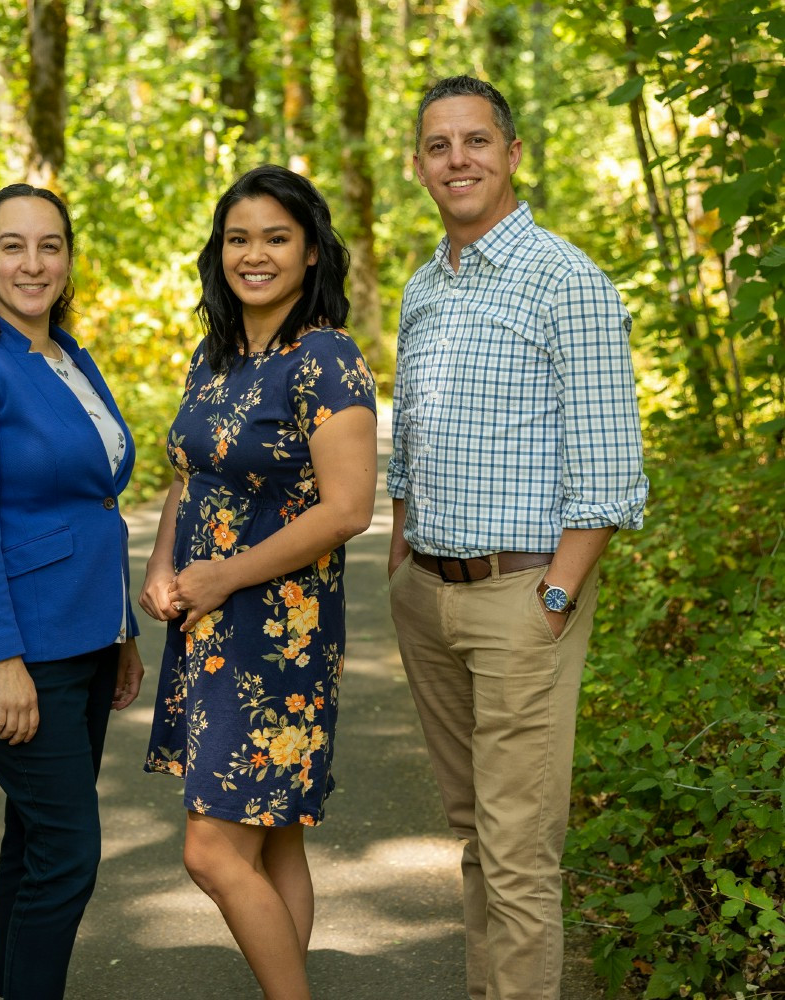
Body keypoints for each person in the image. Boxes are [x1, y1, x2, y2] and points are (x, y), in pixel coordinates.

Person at [388, 76, 648, 1000]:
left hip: (522, 599)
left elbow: (610, 472)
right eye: (438, 145)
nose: (457, 160)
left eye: (475, 142)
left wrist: (553, 599)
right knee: (475, 836)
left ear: (512, 153)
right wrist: (399, 567)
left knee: (521, 854)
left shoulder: (567, 282)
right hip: (428, 597)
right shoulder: (425, 285)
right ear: (418, 164)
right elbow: (411, 442)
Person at [140, 165, 378, 998]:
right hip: (210, 624)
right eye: (239, 237)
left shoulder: (325, 358)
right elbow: (191, 474)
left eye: (276, 237)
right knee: (275, 840)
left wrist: (221, 577)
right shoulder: (216, 355)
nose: (255, 254)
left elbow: (348, 508)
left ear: (311, 252)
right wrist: (165, 564)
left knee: (211, 850)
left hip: (281, 635)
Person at [0, 184, 145, 1000]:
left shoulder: (67, 356)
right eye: (12, 246)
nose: (32, 263)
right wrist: (3, 656)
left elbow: (98, 503)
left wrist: (122, 630)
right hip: (21, 641)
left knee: (36, 837)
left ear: (69, 259)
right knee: (70, 853)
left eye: (50, 245)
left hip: (86, 634)